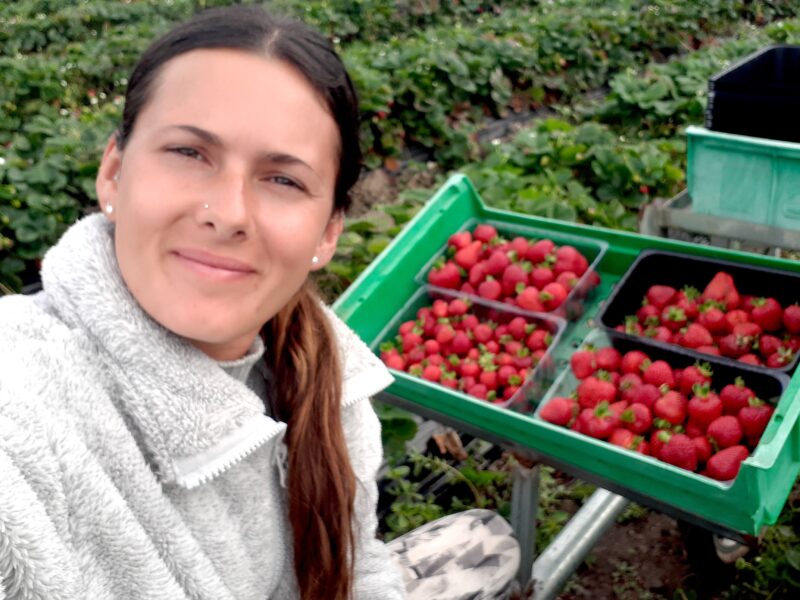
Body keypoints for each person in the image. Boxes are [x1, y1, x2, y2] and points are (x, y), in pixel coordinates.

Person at [0, 6, 520, 600]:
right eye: (189, 153)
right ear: (115, 173)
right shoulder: (23, 408)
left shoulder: (331, 387)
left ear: (328, 233)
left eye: (283, 179)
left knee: (491, 540)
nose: (228, 213)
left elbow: (354, 565)